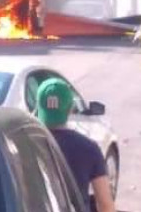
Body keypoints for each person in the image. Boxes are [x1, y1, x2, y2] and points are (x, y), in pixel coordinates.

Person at [35, 78, 116, 212]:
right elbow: (105, 204)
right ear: (70, 109)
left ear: (38, 107)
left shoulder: (23, 143)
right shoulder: (89, 148)